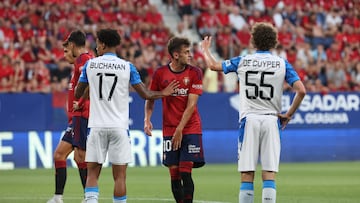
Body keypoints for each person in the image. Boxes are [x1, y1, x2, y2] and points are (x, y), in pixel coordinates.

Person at [200, 22, 306, 203]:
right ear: (274, 42)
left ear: (253, 41)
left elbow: (213, 66)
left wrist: (205, 50)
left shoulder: (243, 61)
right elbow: (301, 90)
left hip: (249, 120)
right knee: (269, 173)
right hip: (272, 121)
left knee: (247, 173)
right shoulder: (282, 63)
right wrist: (288, 115)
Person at [74, 28, 179, 203]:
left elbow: (78, 93)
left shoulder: (89, 65)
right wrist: (164, 92)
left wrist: (89, 85)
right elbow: (146, 94)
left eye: (98, 43)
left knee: (92, 173)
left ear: (103, 44)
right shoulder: (127, 66)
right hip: (119, 128)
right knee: (120, 177)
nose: (96, 46)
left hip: (97, 126)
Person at [144, 36, 205, 203]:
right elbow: (150, 97)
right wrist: (147, 119)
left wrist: (180, 130)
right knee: (174, 173)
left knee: (186, 170)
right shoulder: (160, 73)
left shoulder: (195, 73)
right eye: (186, 52)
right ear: (176, 55)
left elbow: (191, 105)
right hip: (170, 128)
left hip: (190, 127)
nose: (190, 55)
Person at [47, 30, 93, 203]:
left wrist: (80, 103)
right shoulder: (78, 65)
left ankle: (89, 197)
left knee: (80, 157)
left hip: (82, 115)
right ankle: (58, 197)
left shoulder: (84, 60)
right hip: (75, 118)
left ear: (73, 45)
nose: (64, 55)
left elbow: (92, 84)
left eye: (66, 51)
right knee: (60, 155)